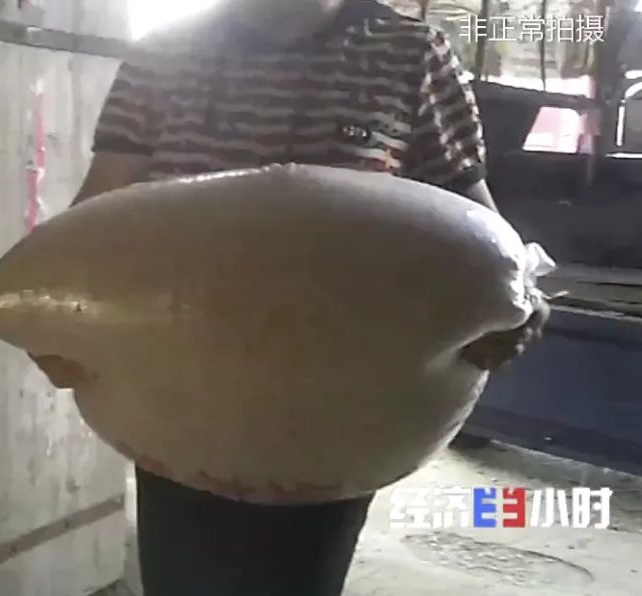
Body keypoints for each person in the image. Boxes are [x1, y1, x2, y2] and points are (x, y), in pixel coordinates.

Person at [34, 0, 551, 594]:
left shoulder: (412, 55)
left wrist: (518, 295)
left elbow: (471, 213)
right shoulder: (162, 54)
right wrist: (52, 311)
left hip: (338, 414)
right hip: (175, 403)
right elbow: (99, 207)